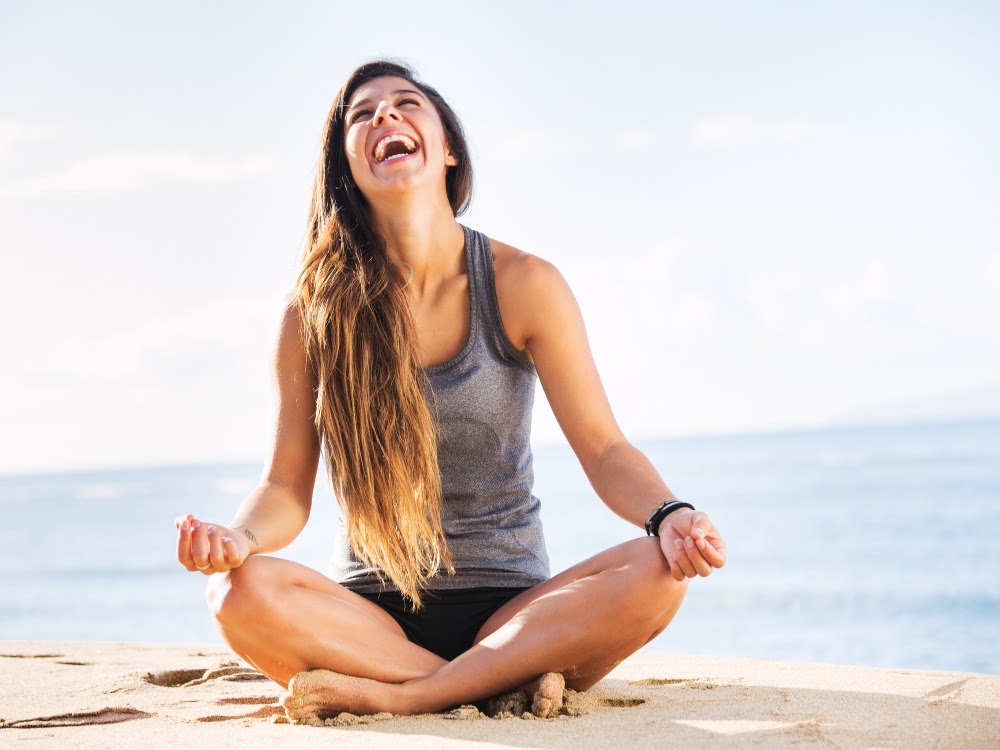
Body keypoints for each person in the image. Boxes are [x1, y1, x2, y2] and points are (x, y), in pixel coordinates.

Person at [174, 59, 726, 721]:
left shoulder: (524, 283)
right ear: (347, 165)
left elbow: (605, 449)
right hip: (369, 622)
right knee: (235, 595)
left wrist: (670, 517)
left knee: (660, 573)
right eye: (362, 114)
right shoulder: (313, 312)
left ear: (449, 150)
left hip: (515, 611)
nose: (384, 115)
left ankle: (406, 696)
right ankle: (490, 683)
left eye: (406, 103)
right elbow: (286, 485)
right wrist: (239, 539)